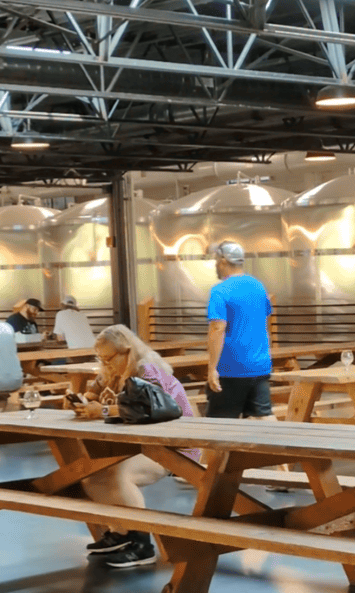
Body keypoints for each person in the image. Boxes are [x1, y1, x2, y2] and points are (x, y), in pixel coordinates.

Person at [81, 325, 197, 571]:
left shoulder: (148, 371)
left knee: (120, 475)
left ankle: (142, 544)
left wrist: (100, 410)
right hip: (143, 446)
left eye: (109, 358)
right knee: (92, 480)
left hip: (173, 446)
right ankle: (121, 533)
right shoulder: (111, 370)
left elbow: (148, 409)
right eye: (101, 358)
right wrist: (84, 401)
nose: (106, 363)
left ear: (127, 351)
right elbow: (94, 393)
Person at [205, 240, 273, 418]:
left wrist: (212, 368)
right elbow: (264, 322)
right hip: (260, 366)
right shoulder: (258, 287)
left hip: (230, 369)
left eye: (216, 261)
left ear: (222, 261)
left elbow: (217, 327)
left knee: (219, 428)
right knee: (261, 421)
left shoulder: (220, 291)